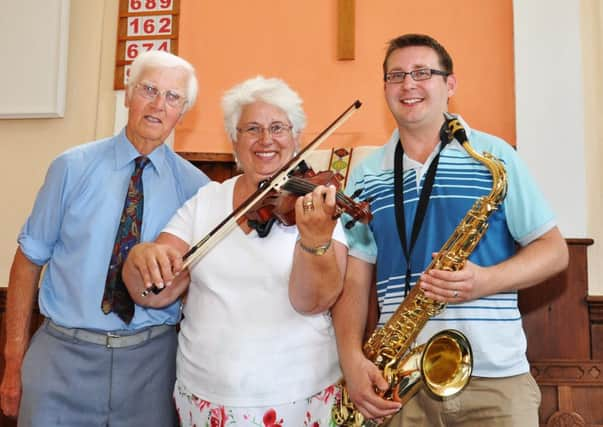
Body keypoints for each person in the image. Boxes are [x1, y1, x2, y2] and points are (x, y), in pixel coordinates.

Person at [331, 33, 569, 427]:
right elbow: (355, 281)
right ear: (385, 87)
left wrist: (485, 280)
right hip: (400, 384)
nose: (408, 84)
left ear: (450, 84)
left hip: (496, 382)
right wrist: (351, 358)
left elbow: (555, 251)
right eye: (396, 75)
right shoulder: (366, 174)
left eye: (423, 72)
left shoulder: (496, 157)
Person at [122, 76, 348, 426]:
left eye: (278, 128)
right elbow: (152, 293)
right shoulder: (205, 201)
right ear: (234, 140)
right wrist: (140, 258)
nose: (266, 140)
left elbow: (314, 301)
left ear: (296, 137)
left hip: (298, 395)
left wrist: (314, 241)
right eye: (251, 129)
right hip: (205, 397)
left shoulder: (317, 205)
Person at [0, 50, 209, 426]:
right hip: (62, 356)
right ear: (128, 96)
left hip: (152, 366)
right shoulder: (71, 167)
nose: (158, 105)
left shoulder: (198, 189)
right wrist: (13, 359)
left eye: (172, 97)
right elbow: (28, 259)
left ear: (184, 110)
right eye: (149, 90)